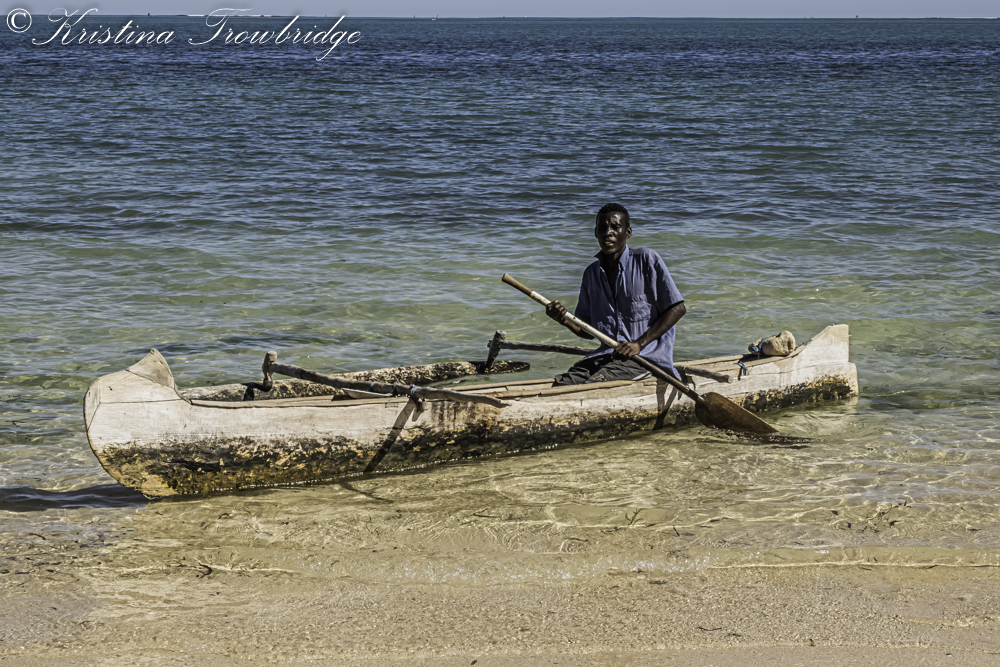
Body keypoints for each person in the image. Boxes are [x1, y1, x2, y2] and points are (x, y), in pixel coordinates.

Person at [546, 203, 686, 386]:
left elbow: (677, 309)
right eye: (602, 228)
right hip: (606, 356)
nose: (608, 233)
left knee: (593, 386)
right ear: (596, 233)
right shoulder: (591, 274)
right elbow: (587, 331)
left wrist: (638, 344)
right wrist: (563, 319)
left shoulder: (646, 260)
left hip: (644, 359)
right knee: (561, 385)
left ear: (628, 232)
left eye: (615, 227)